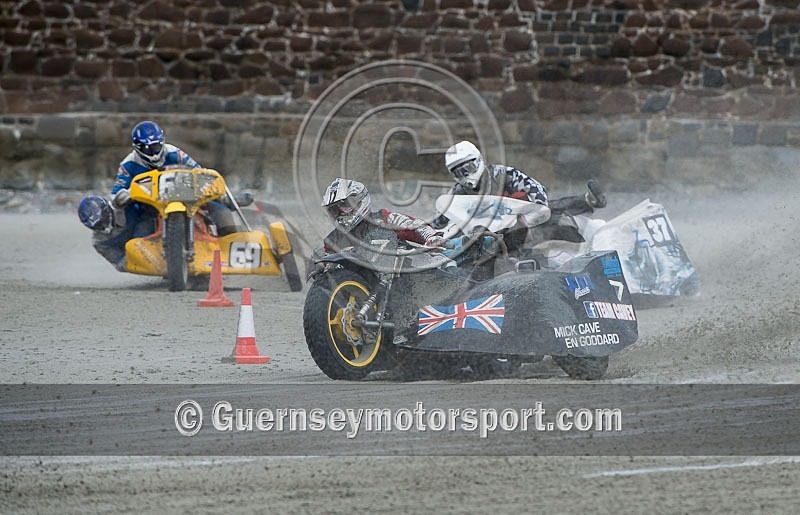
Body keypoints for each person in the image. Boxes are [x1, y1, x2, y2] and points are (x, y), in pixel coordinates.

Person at [432, 140, 606, 245]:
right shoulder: (456, 193)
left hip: (516, 222)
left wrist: (532, 211)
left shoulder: (505, 174)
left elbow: (537, 191)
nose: (466, 175)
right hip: (486, 234)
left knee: (553, 211)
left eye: (468, 167)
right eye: (458, 172)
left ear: (478, 161)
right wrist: (427, 233)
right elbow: (439, 222)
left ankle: (589, 201)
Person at [321, 177, 446, 255]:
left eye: (343, 206)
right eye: (333, 211)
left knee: (451, 267)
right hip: (362, 284)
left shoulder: (383, 219)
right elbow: (318, 263)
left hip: (406, 271)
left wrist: (431, 238)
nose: (338, 214)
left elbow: (416, 225)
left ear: (359, 200)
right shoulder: (333, 240)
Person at [77, 194, 129, 271]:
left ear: (106, 210)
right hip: (140, 246)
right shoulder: (99, 242)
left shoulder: (119, 199)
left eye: (103, 220)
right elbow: (120, 262)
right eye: (98, 225)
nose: (103, 225)